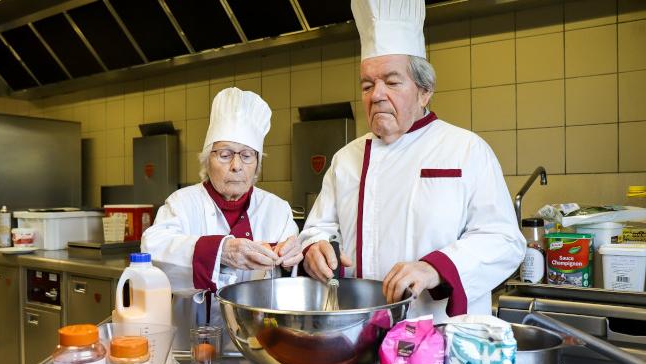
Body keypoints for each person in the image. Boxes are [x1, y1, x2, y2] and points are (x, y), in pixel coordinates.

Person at [299, 0, 525, 321]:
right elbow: (318, 229)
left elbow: (504, 241)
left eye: (391, 82)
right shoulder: (345, 159)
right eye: (367, 84)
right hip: (358, 333)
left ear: (424, 91)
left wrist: (435, 268)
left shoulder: (466, 149)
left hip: (439, 337)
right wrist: (315, 248)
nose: (376, 94)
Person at [142, 87, 302, 326]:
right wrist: (221, 251)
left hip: (259, 345)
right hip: (190, 346)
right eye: (225, 154)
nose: (237, 165)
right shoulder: (182, 203)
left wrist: (294, 258)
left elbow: (292, 284)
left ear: (257, 163)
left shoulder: (277, 210)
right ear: (208, 160)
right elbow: (151, 255)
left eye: (247, 155)